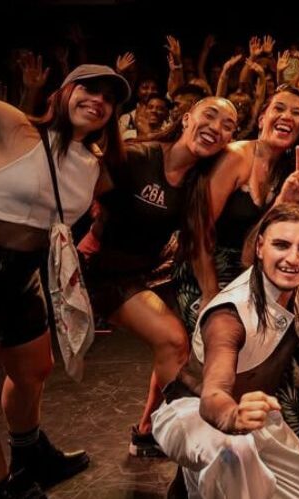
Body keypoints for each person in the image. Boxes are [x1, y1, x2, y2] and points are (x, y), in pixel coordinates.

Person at [0, 65, 128, 498]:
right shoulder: (17, 127)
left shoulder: (94, 164)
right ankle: (3, 488)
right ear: (64, 92)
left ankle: (30, 455)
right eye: (89, 88)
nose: (98, 100)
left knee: (34, 369)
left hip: (25, 275)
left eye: (109, 97)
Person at [82, 97, 239, 458]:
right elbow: (80, 191)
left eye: (228, 125)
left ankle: (147, 431)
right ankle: (175, 431)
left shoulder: (198, 182)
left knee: (178, 344)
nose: (216, 127)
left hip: (147, 273)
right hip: (104, 273)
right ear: (187, 119)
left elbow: (199, 246)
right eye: (210, 115)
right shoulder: (139, 157)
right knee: (172, 339)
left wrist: (211, 299)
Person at [150, 204, 299, 499]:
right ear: (260, 248)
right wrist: (233, 416)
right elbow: (213, 395)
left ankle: (189, 484)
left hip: (255, 417)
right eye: (281, 245)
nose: (293, 258)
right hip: (194, 412)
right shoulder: (229, 316)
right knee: (236, 452)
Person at [171, 85, 299, 334]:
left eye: (296, 113)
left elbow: (261, 241)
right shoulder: (236, 156)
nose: (287, 116)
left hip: (252, 270)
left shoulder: (290, 171)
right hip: (203, 269)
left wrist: (284, 199)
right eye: (279, 108)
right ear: (261, 119)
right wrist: (210, 292)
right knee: (227, 334)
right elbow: (197, 231)